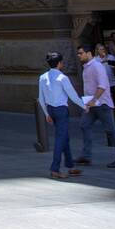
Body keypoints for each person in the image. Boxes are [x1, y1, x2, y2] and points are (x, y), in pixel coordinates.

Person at [38, 52, 88, 180]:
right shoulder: (63, 78)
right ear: (59, 63)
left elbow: (41, 98)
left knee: (64, 137)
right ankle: (55, 169)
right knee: (61, 139)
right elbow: (73, 96)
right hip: (61, 111)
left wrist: (46, 114)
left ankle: (70, 166)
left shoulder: (43, 77)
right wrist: (84, 106)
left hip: (50, 110)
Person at [77, 45, 115, 167]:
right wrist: (88, 104)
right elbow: (89, 88)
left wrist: (94, 100)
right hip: (92, 104)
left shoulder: (96, 66)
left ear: (89, 53)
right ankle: (86, 156)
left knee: (111, 130)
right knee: (84, 125)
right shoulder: (87, 67)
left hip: (102, 104)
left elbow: (103, 85)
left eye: (81, 53)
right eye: (78, 53)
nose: (79, 56)